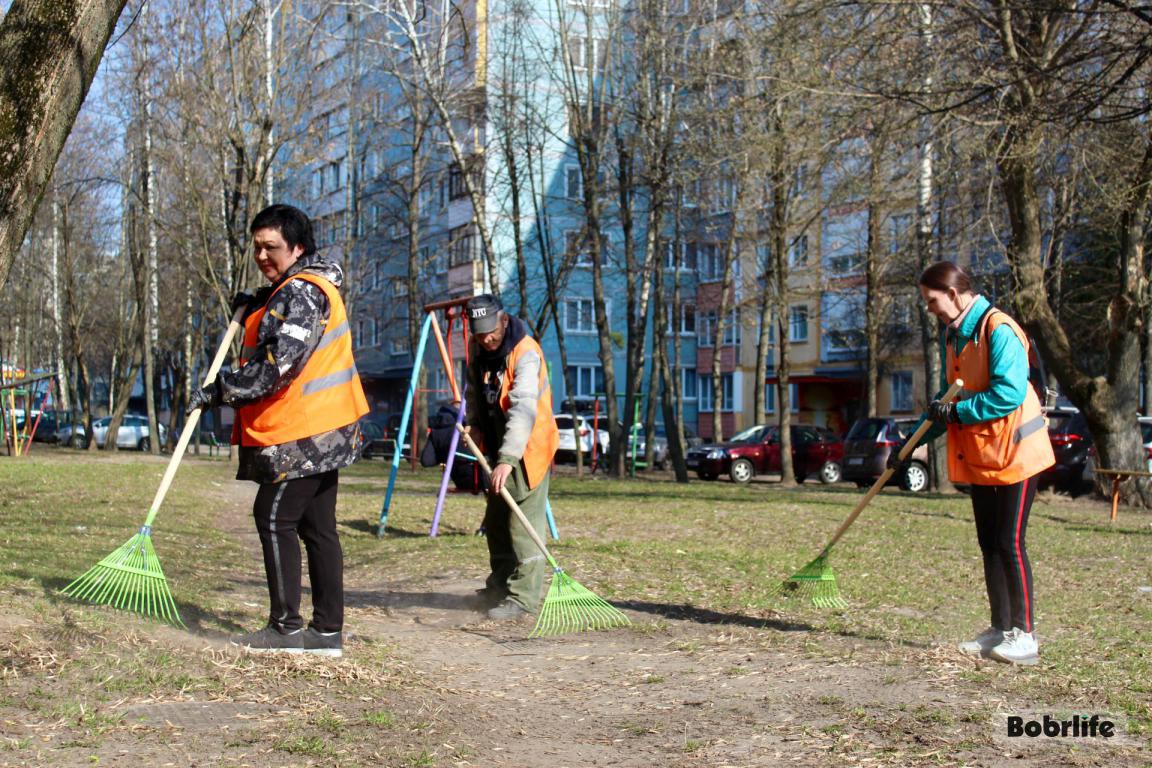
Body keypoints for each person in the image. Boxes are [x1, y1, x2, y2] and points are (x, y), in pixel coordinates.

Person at [187, 204, 368, 657]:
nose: (262, 256)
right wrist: (258, 303)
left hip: (305, 434)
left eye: (271, 247)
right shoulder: (299, 288)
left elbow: (276, 367)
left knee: (273, 516)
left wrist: (218, 391)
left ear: (298, 247)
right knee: (318, 527)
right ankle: (326, 633)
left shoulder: (301, 294)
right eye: (257, 248)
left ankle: (285, 629)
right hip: (325, 428)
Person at [889, 261, 1054, 665]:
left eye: (931, 300)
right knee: (989, 543)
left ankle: (1025, 636)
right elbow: (948, 402)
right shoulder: (955, 335)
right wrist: (909, 446)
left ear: (953, 293)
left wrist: (958, 413)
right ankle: (1000, 629)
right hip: (985, 455)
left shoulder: (999, 329)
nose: (929, 309)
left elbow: (1008, 394)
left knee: (1009, 542)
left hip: (1017, 452)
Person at [463, 294, 559, 620]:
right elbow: (474, 391)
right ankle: (499, 588)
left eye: (490, 332)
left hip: (528, 448)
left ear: (504, 321)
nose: (486, 340)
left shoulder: (526, 352)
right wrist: (475, 424)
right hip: (497, 447)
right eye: (479, 334)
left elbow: (523, 409)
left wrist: (507, 459)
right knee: (496, 522)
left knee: (521, 524)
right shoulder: (477, 349)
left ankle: (523, 598)